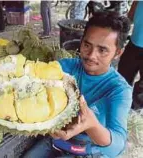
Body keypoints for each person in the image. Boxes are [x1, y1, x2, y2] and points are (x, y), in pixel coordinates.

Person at [23, 12, 132, 158]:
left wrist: (92, 125)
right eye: (87, 45)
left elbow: (117, 147)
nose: (91, 55)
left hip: (89, 149)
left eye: (102, 50)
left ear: (118, 53)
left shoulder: (119, 90)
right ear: (81, 41)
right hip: (56, 139)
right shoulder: (65, 68)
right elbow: (32, 74)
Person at [118, 1, 143, 110]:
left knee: (142, 88)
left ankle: (134, 110)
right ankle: (119, 105)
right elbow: (130, 17)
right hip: (133, 45)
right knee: (122, 78)